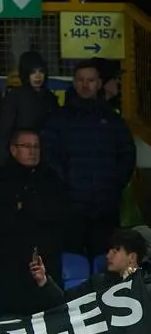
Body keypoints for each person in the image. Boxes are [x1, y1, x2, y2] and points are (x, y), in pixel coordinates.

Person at [42, 59, 135, 260]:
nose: (85, 85)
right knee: (72, 264)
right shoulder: (59, 119)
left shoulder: (113, 119)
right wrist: (67, 182)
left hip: (105, 208)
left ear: (99, 83)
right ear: (74, 83)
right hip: (71, 208)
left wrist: (113, 184)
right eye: (81, 80)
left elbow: (127, 155)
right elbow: (49, 156)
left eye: (90, 80)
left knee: (106, 264)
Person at [0, 128, 66, 316]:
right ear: (13, 149)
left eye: (36, 146)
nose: (33, 151)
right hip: (11, 263)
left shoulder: (51, 179)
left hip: (47, 259)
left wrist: (24, 206)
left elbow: (58, 214)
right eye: (27, 146)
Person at [0, 52, 56, 167]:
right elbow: (4, 133)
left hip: (46, 160)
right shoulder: (15, 97)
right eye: (33, 72)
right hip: (19, 161)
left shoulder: (50, 98)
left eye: (41, 72)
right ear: (25, 74)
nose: (38, 76)